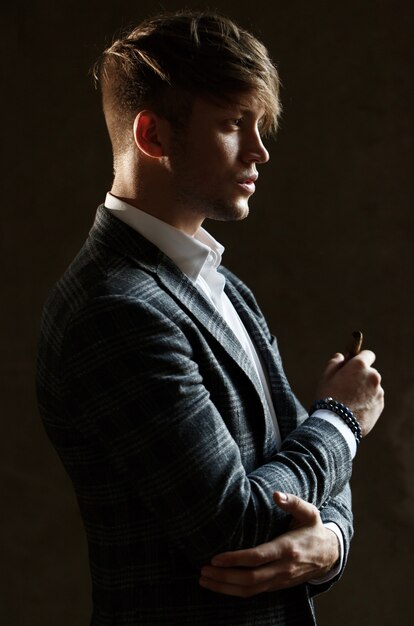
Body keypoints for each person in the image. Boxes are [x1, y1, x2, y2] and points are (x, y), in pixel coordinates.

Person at [36, 10, 384, 626]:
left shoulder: (223, 287)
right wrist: (344, 419)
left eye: (260, 125)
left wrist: (329, 543)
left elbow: (315, 474)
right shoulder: (115, 311)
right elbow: (239, 523)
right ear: (153, 137)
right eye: (232, 124)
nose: (260, 149)